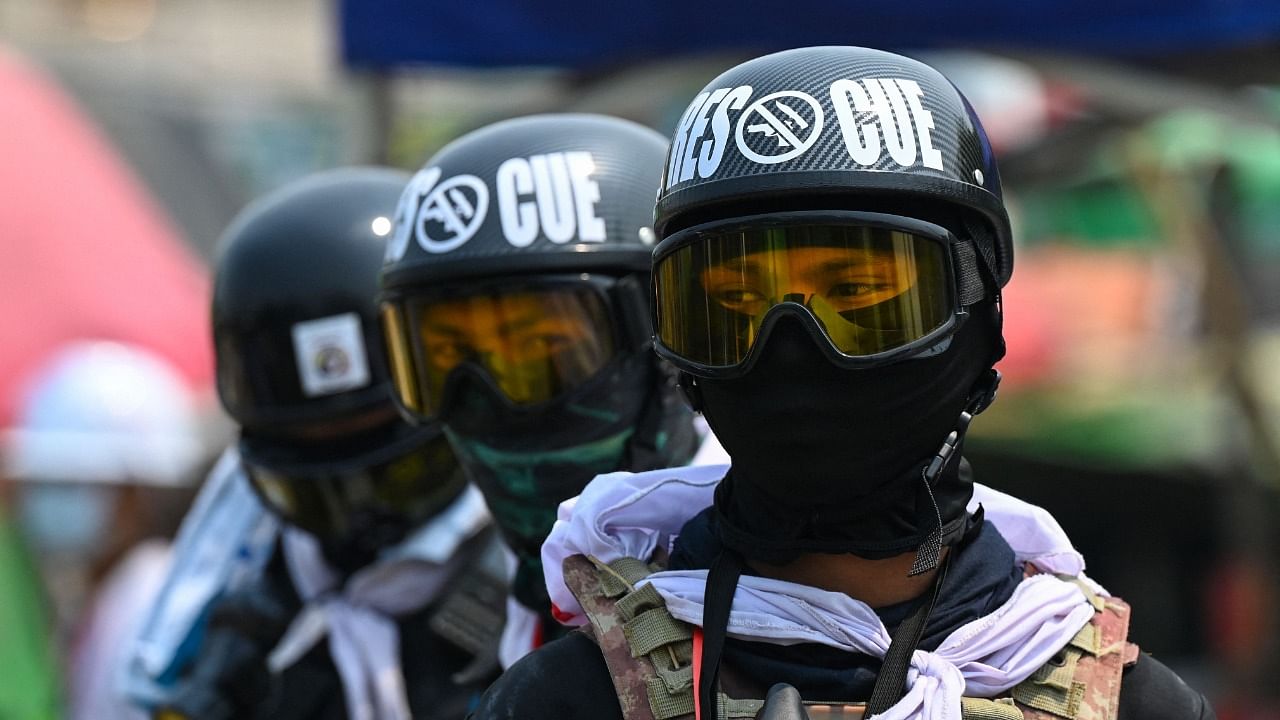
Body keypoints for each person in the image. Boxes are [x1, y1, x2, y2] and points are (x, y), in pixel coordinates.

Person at [470, 47, 1216, 720]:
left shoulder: (1130, 702)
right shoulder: (567, 699)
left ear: (979, 312)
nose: (794, 353)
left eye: (861, 297)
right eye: (732, 308)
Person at [129, 168, 503, 720]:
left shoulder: (543, 562)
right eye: (316, 486)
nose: (361, 513)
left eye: (392, 471)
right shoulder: (244, 590)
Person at [378, 113, 724, 667]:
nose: (488, 400)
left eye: (540, 352)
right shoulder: (487, 606)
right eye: (446, 361)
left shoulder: (771, 593)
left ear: (663, 342)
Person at [4, 340, 205, 720]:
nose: (38, 504)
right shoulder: (113, 595)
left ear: (128, 493)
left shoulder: (152, 605)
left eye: (62, 483)